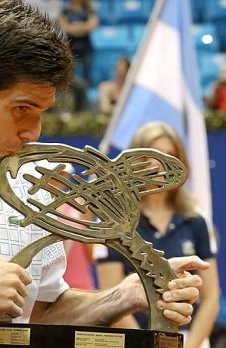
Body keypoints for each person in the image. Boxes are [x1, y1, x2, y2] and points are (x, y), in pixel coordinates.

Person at [0, 1, 209, 347]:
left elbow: (40, 315)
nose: (33, 132)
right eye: (21, 109)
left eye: (42, 113)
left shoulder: (32, 183)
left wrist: (125, 295)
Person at [96, 121, 220, 348]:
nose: (162, 164)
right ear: (135, 162)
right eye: (154, 154)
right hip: (132, 341)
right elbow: (109, 296)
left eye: (170, 154)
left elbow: (211, 297)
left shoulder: (196, 219)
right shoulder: (114, 220)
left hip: (190, 341)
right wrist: (144, 344)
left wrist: (190, 345)